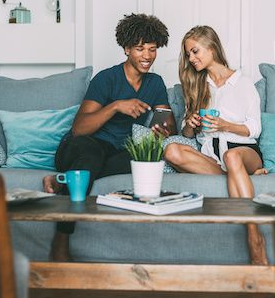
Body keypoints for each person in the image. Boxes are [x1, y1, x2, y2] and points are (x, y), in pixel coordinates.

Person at [43, 13, 176, 261]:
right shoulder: (106, 79)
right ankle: (61, 238)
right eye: (139, 49)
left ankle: (65, 178)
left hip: (117, 153)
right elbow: (79, 129)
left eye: (152, 49)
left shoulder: (155, 83)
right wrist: (116, 106)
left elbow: (168, 124)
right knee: (92, 155)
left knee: (141, 163)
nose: (147, 56)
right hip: (83, 146)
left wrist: (164, 128)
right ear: (126, 49)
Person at [163, 25, 269, 265]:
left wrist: (225, 125)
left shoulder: (243, 83)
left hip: (243, 150)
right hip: (213, 157)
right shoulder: (199, 84)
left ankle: (254, 236)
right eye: (188, 54)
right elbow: (188, 134)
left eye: (195, 51)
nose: (191, 58)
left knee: (232, 157)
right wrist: (190, 123)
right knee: (171, 150)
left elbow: (255, 128)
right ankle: (236, 176)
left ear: (211, 47)